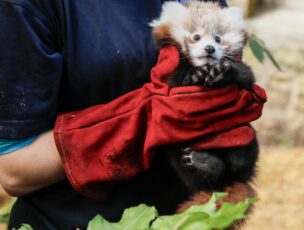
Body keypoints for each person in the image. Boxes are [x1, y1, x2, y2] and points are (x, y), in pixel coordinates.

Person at [0, 0, 264, 229]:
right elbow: (13, 172)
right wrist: (143, 122)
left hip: (188, 215)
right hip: (79, 221)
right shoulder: (28, 7)